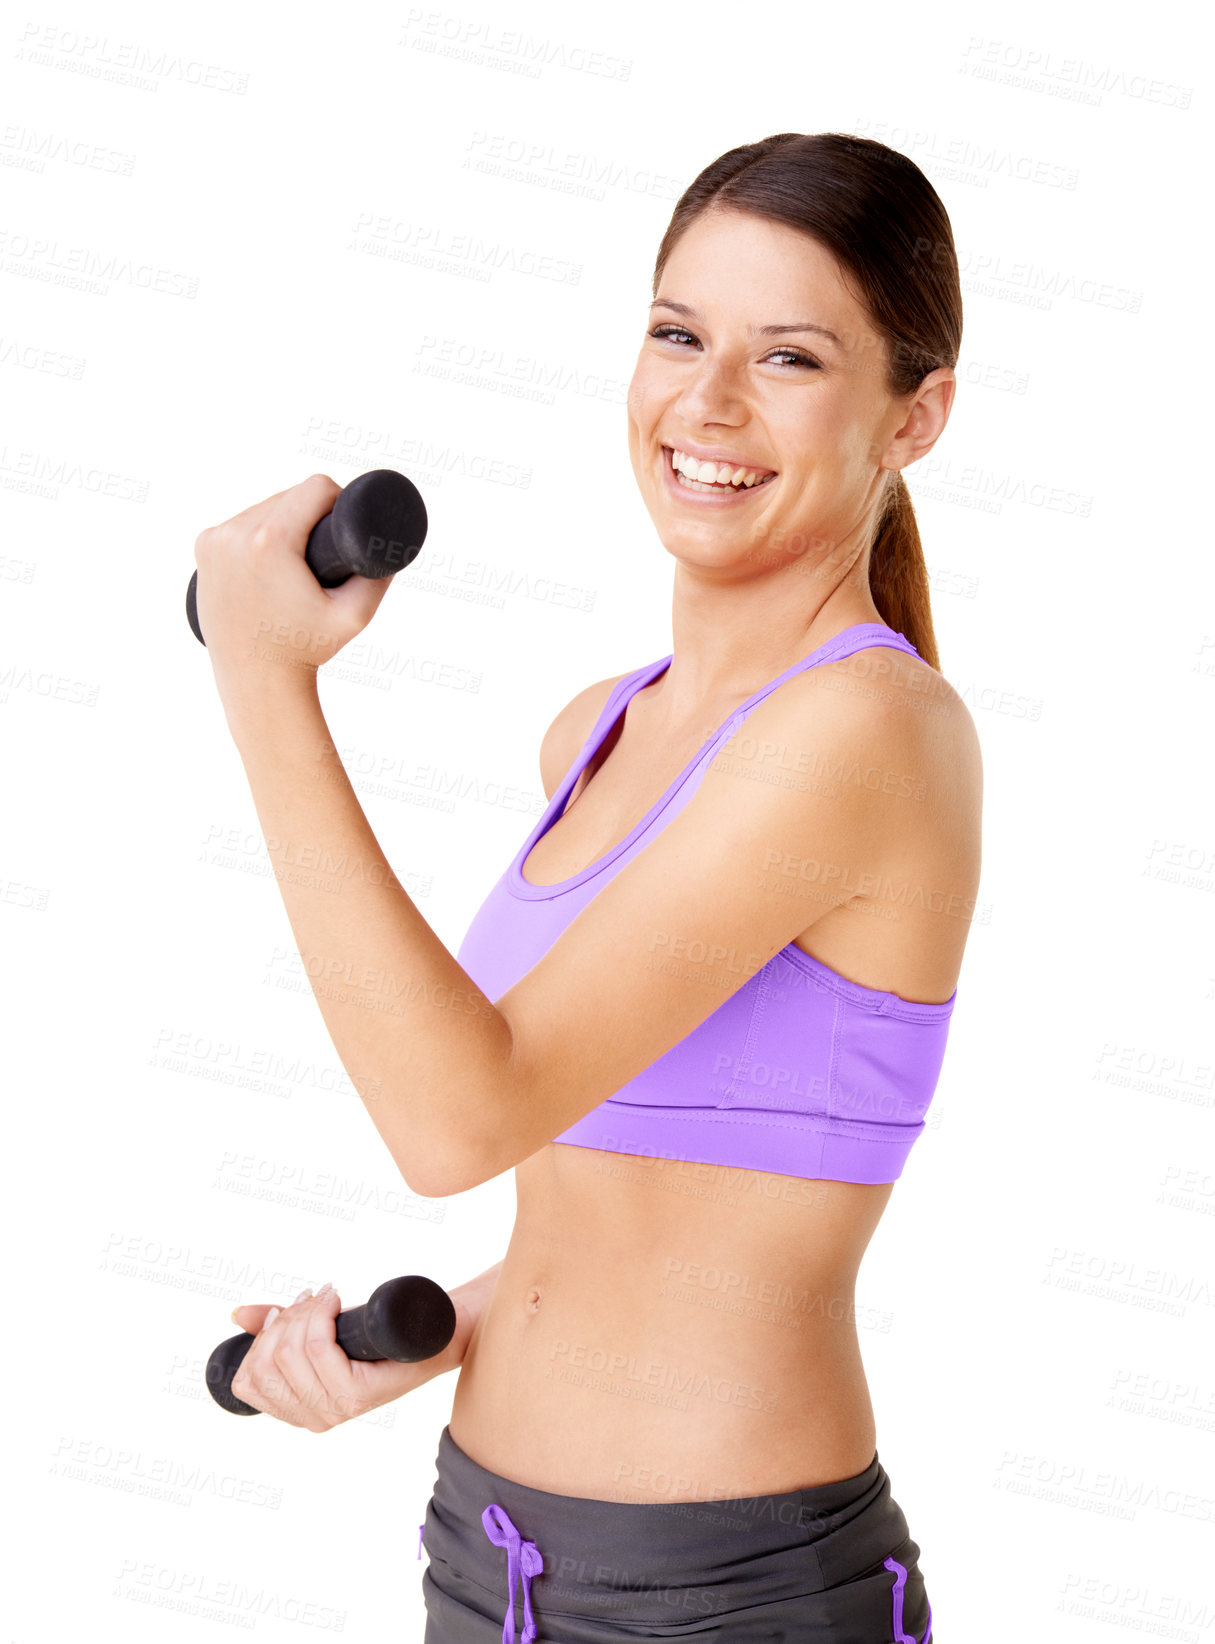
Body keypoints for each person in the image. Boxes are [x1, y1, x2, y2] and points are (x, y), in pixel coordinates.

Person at [203, 130, 981, 1642]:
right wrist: (448, 1335)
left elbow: (454, 1119)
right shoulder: (600, 729)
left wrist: (266, 683)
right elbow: (638, 1211)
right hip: (486, 1559)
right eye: (679, 332)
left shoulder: (867, 733)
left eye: (793, 357)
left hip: (731, 1598)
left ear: (917, 415)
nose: (708, 402)